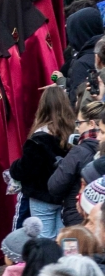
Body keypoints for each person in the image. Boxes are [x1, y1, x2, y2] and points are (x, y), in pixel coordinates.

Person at [9, 86, 75, 237]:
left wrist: (14, 168)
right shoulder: (72, 135)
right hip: (64, 196)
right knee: (61, 239)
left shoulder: (38, 139)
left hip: (41, 195)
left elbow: (26, 169)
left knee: (43, 238)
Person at [48, 97, 103, 226]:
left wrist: (63, 165)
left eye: (79, 123)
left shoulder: (80, 151)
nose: (77, 128)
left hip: (78, 218)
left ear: (91, 124)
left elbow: (54, 185)